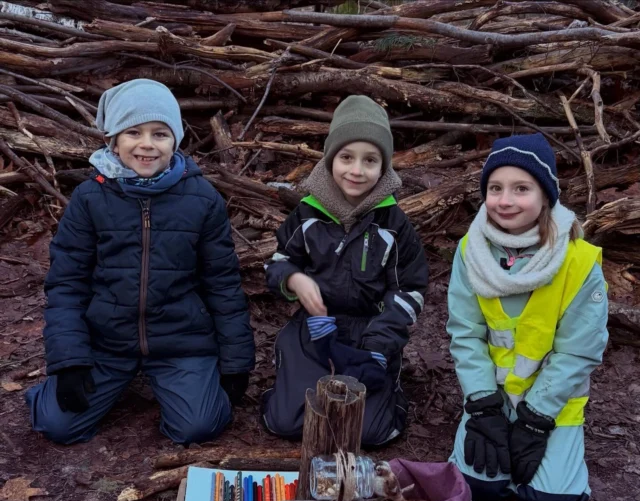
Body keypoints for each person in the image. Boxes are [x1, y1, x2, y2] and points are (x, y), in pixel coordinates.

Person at [26, 79, 254, 445]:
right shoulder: (89, 199)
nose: (147, 144)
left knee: (199, 427)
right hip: (107, 340)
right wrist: (68, 360)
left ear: (175, 141)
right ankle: (62, 389)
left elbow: (223, 284)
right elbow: (67, 284)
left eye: (160, 133)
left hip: (180, 340)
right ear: (113, 140)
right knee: (57, 425)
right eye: (133, 132)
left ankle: (183, 384)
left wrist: (236, 362)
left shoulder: (202, 199)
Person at [447, 133, 608, 501]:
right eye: (495, 188)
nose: (505, 201)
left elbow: (579, 351)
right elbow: (465, 334)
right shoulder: (471, 251)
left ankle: (557, 453)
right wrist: (483, 406)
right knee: (479, 488)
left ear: (545, 196)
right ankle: (486, 433)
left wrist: (536, 420)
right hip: (493, 398)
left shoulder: (578, 261)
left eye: (522, 188)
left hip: (552, 402)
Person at [262, 95, 428, 445]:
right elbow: (278, 263)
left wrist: (380, 344)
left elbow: (409, 290)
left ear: (383, 167)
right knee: (287, 423)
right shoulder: (306, 215)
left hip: (370, 333)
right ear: (330, 159)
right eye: (346, 157)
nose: (356, 170)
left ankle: (390, 395)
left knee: (367, 433)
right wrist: (293, 278)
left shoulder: (395, 225)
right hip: (315, 329)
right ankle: (289, 383)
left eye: (370, 160)